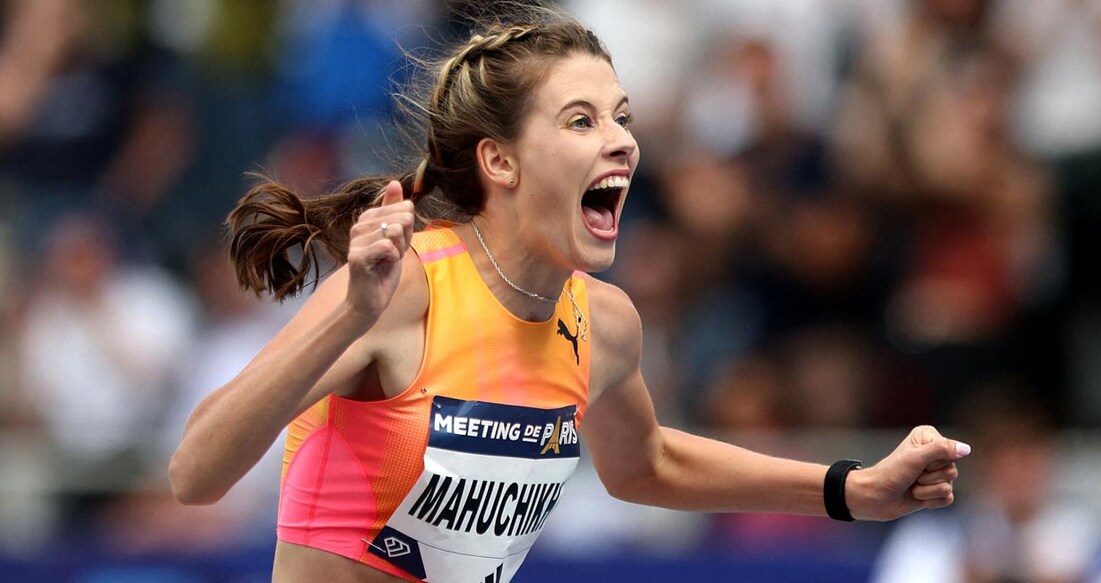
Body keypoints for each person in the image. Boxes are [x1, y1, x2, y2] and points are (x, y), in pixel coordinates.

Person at [168, 6, 971, 582]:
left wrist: (848, 489)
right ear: (500, 162)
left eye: (621, 117)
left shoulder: (604, 323)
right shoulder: (402, 286)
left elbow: (646, 463)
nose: (621, 139)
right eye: (581, 120)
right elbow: (195, 472)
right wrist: (348, 314)